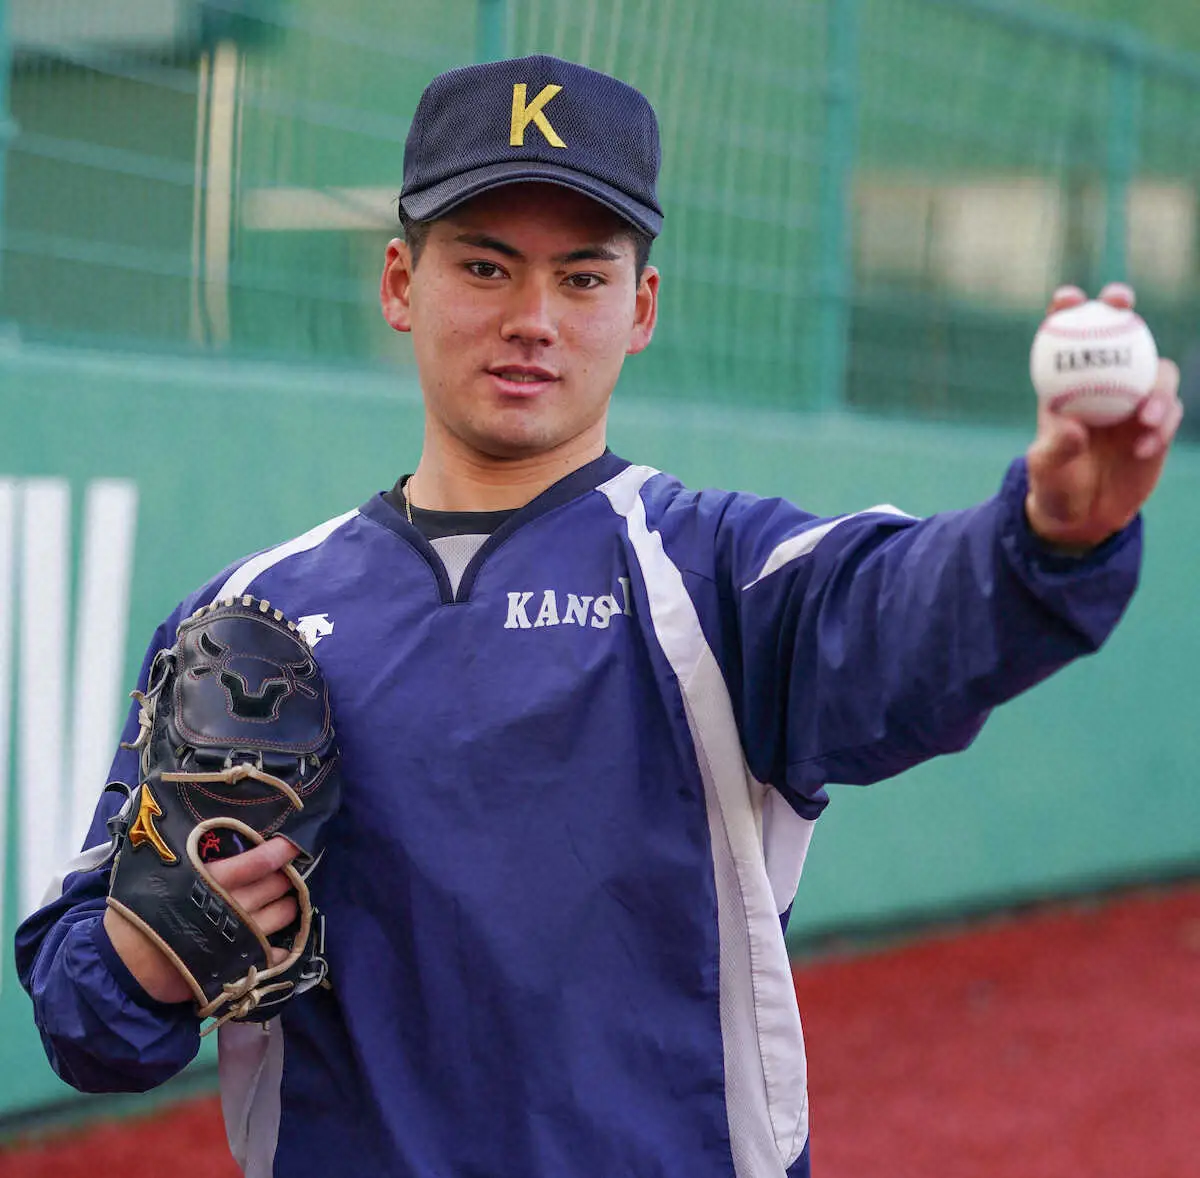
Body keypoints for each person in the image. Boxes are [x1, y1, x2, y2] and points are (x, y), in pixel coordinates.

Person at [16, 54, 1183, 1178]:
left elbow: (920, 608)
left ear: (641, 308)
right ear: (399, 282)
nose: (533, 316)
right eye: (485, 266)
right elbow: (84, 1013)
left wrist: (1051, 533)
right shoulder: (248, 615)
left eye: (581, 277)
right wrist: (156, 945)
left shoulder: (721, 578)